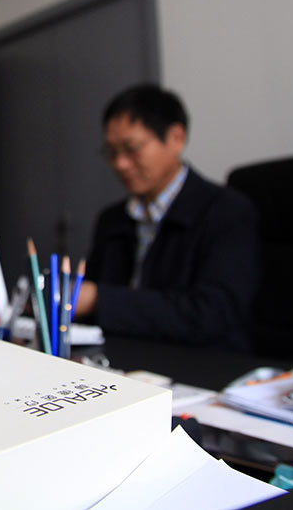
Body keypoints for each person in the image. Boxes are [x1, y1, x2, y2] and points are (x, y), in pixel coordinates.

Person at [75, 84, 259, 351]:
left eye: (132, 148)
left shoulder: (227, 211)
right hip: (120, 358)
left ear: (176, 138)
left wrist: (99, 300)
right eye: (112, 152)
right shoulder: (112, 220)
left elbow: (213, 313)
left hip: (197, 362)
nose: (120, 164)